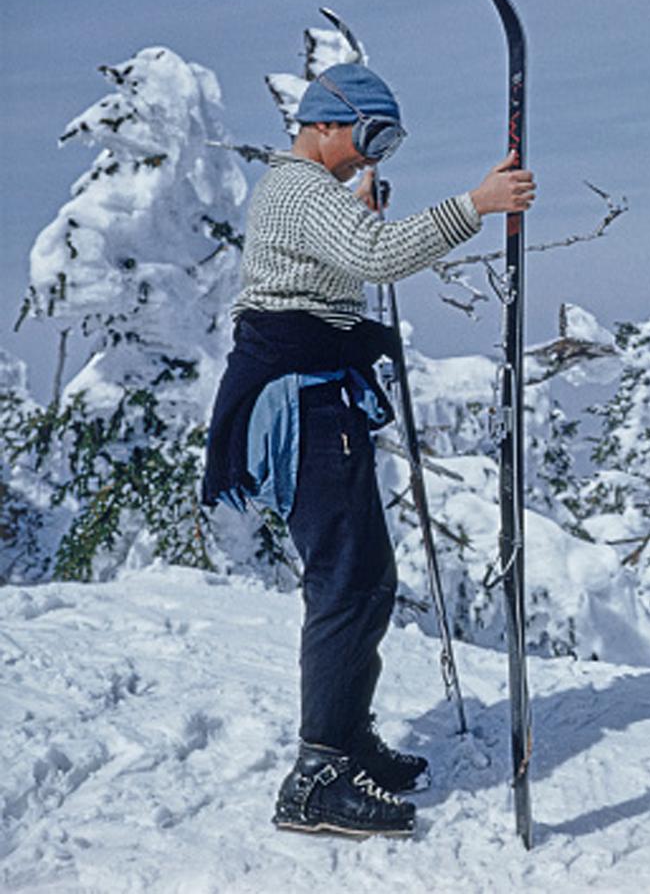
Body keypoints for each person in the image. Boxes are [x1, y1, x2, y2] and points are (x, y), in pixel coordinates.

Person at [201, 63, 535, 837]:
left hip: (322, 393)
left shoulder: (311, 192)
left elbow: (339, 256)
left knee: (368, 578)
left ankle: (345, 741)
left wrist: (355, 218)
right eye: (370, 137)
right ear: (326, 123)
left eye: (390, 141)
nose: (374, 156)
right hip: (305, 402)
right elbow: (376, 256)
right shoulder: (297, 189)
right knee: (345, 583)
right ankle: (316, 775)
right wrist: (475, 207)